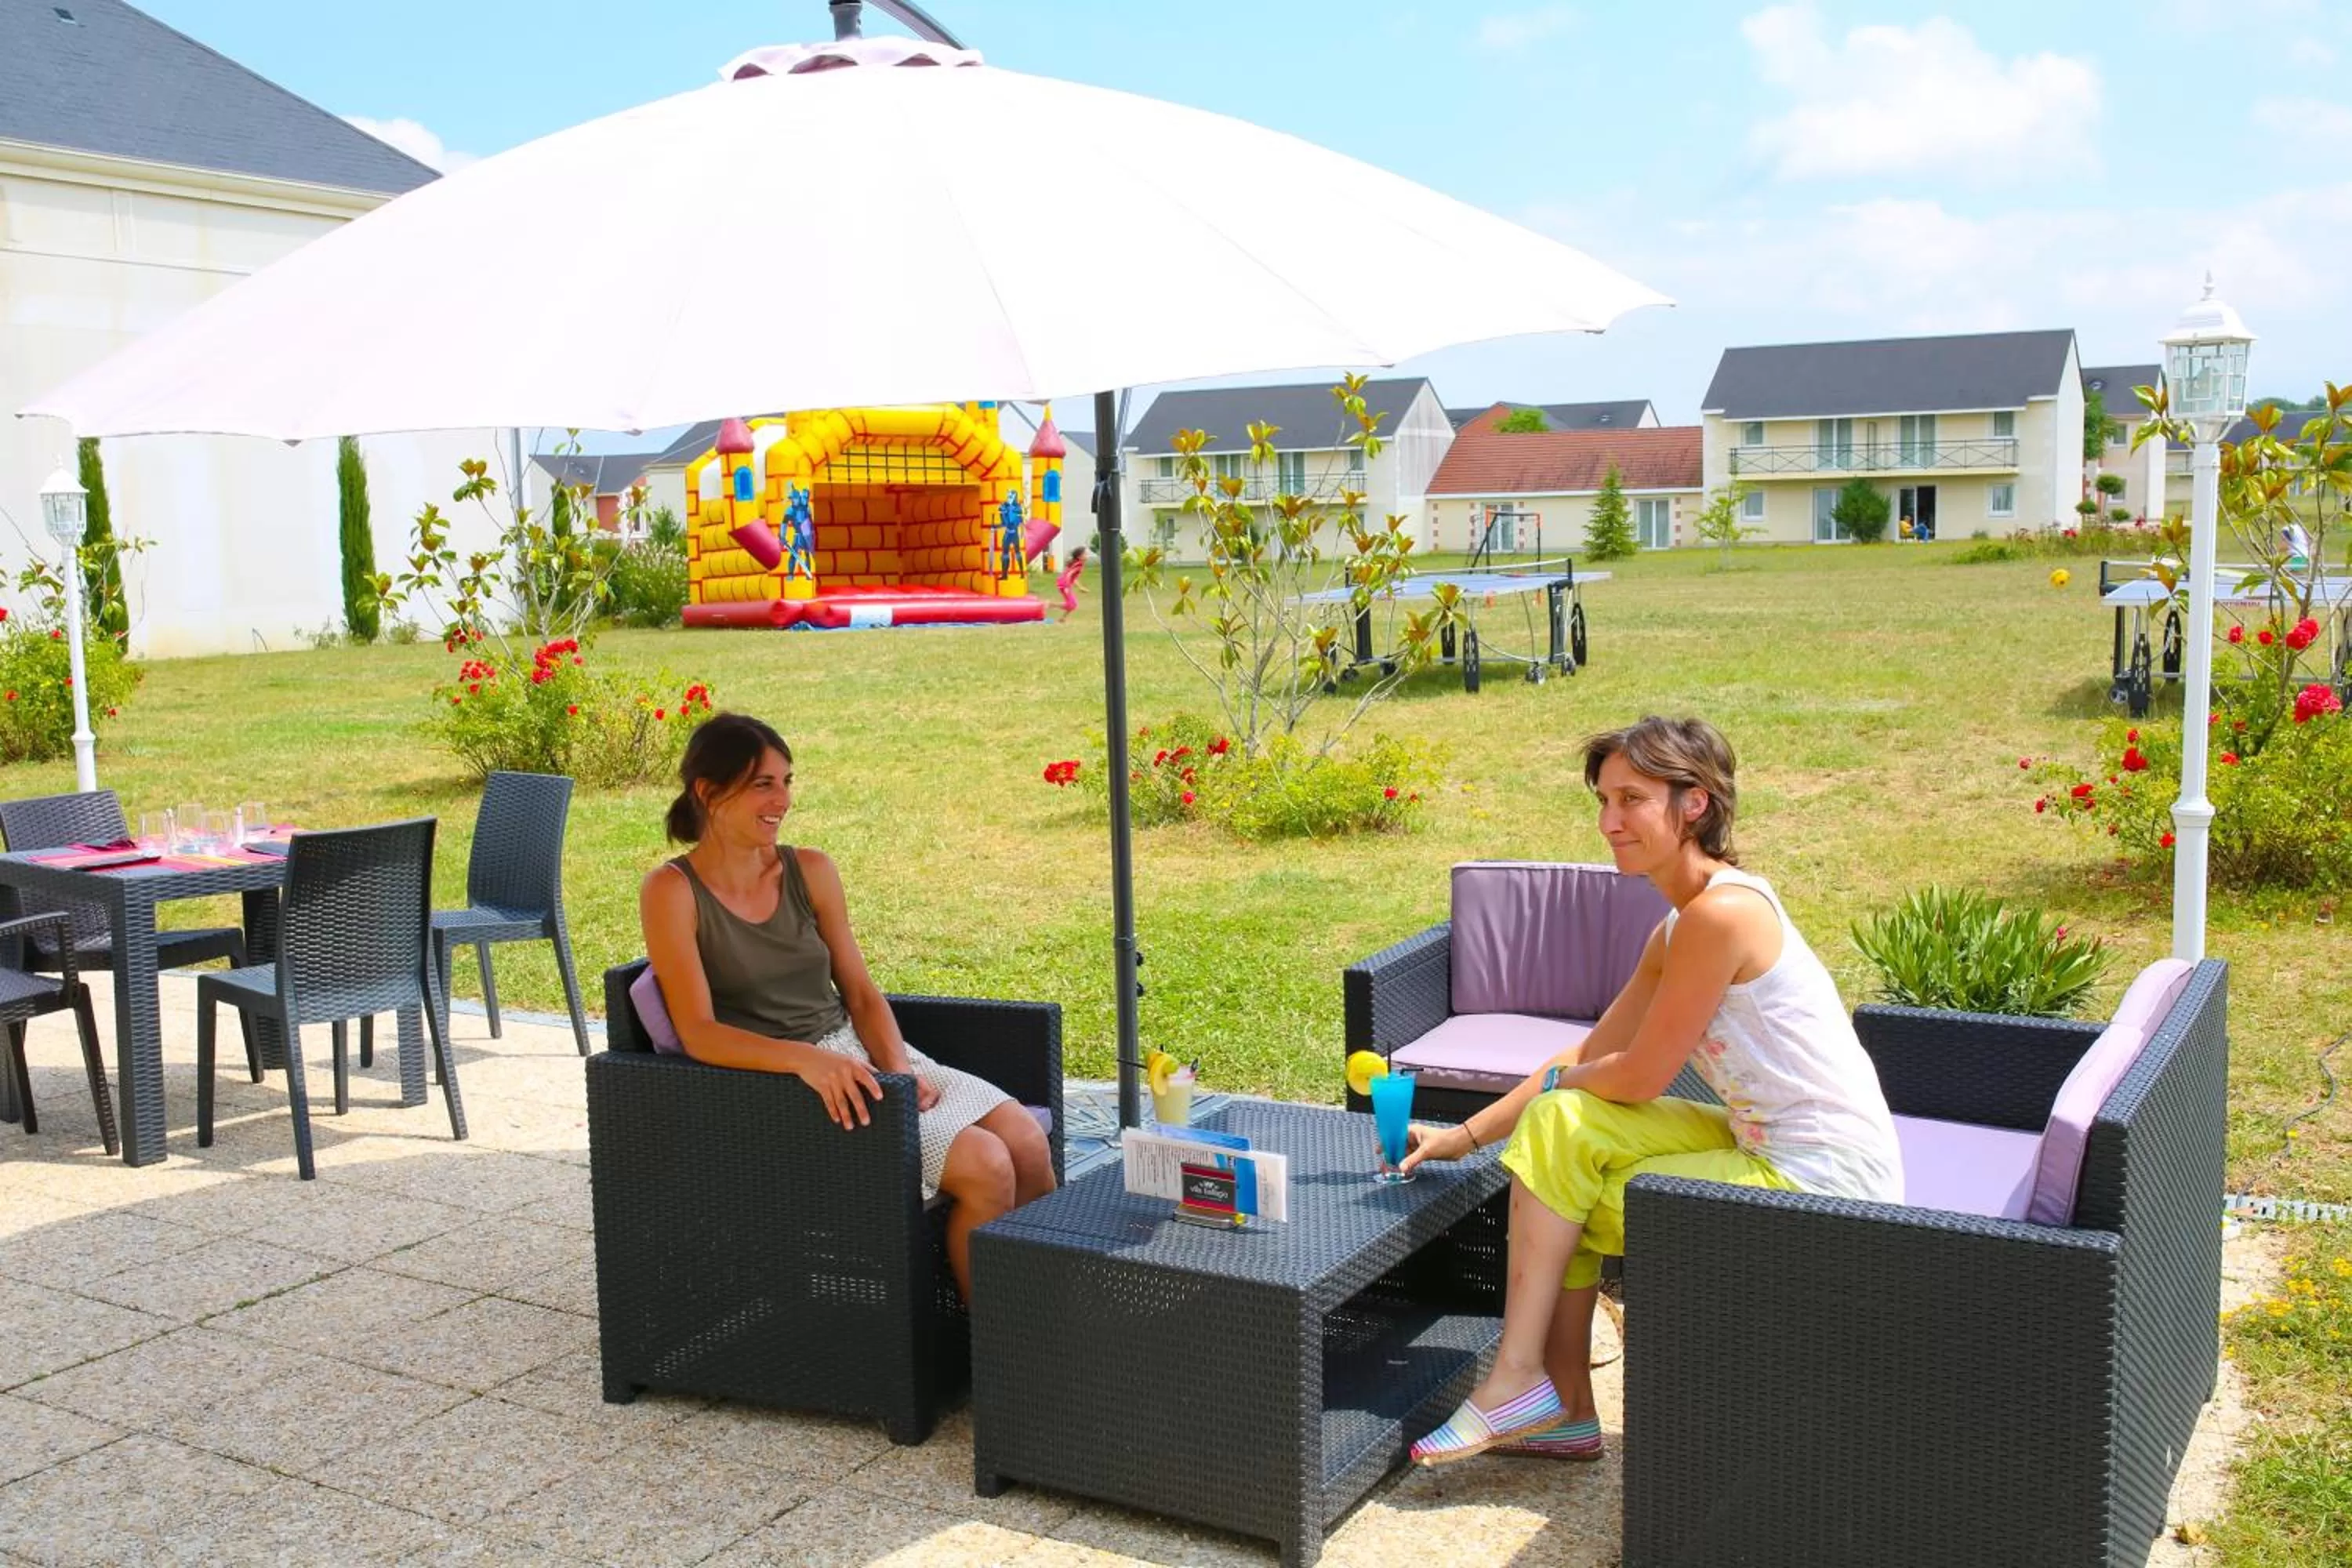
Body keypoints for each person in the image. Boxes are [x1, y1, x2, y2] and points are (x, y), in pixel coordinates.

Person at [1404, 716, 1902, 1466]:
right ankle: (1546, 1398)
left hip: (1824, 1176)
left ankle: (1537, 1390)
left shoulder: (1722, 916)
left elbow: (1637, 1076)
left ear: (1694, 802)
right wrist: (1463, 1136)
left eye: (1632, 799)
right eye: (1603, 801)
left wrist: (1566, 1086)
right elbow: (1587, 1053)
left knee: (1561, 1186)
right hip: (1758, 1138)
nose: (1610, 822)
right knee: (1561, 1133)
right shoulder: (1678, 927)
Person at [640, 712, 1055, 1300]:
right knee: (988, 1164)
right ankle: (994, 1339)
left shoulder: (809, 869)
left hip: (862, 1056)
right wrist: (808, 1061)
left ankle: (1039, 1317)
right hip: (790, 1086)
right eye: (764, 784)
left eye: (787, 781)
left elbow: (859, 992)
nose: (782, 800)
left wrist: (899, 1071)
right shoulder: (671, 891)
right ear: (708, 792)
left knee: (1028, 1143)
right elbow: (700, 1032)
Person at [1055, 546, 1087, 622]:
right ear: (1079, 557)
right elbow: (1069, 574)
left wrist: (1080, 587)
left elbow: (1073, 578)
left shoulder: (1077, 563)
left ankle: (1062, 618)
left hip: (1063, 583)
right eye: (1085, 554)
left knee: (1072, 604)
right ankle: (1050, 605)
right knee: (1072, 604)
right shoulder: (1079, 565)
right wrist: (1067, 584)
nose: (1087, 556)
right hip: (1064, 584)